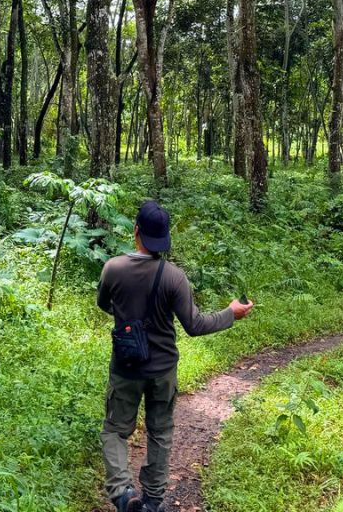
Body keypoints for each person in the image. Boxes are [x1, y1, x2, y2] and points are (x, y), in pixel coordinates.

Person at [97, 200, 254, 512]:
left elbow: (104, 304)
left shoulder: (113, 268)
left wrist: (128, 316)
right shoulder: (174, 277)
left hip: (126, 366)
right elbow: (195, 325)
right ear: (165, 238)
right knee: (160, 432)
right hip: (163, 370)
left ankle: (123, 494)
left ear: (136, 231)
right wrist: (230, 313)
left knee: (115, 430)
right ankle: (152, 501)